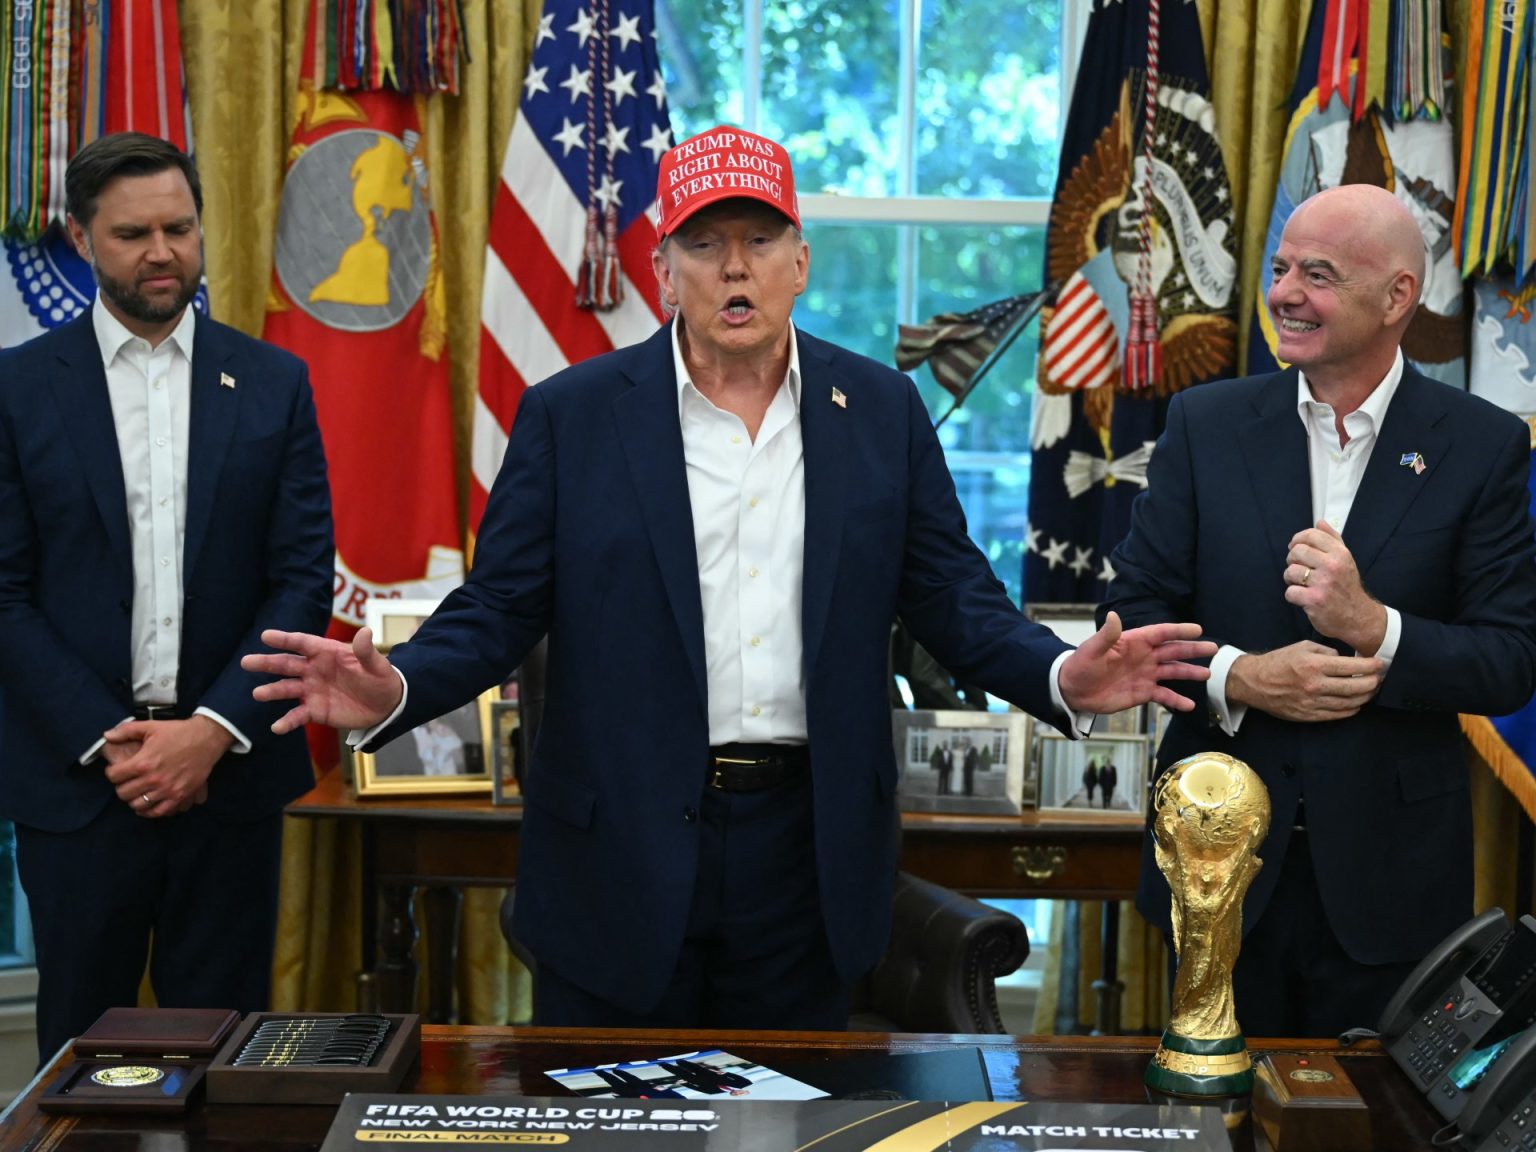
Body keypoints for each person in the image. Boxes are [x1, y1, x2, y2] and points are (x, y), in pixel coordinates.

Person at [244, 124, 1214, 1031]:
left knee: (791, 1120)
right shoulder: (573, 417)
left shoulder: (880, 412)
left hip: (807, 853)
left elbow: (954, 599)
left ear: (801, 262)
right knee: (610, 1118)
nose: (735, 267)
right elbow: (499, 607)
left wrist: (1060, 675)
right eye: (705, 245)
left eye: (760, 240)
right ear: (663, 270)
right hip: (617, 850)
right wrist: (400, 687)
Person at [1102, 183, 1536, 1038]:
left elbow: (1510, 661)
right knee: (1206, 1105)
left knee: (1369, 1110)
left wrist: (1374, 626)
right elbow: (1131, 609)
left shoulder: (1482, 444)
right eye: (1280, 269)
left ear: (1398, 297)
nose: (1284, 294)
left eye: (1318, 274)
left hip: (1392, 885)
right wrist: (1242, 677)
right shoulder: (1204, 423)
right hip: (1216, 864)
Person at [0, 132, 333, 1062]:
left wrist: (210, 731)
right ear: (80, 238)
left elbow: (301, 577)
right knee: (81, 1062)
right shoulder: (17, 389)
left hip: (230, 781)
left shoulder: (273, 382)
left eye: (179, 229)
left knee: (227, 1057)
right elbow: (5, 592)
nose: (162, 252)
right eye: (133, 233)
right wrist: (113, 740)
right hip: (80, 784)